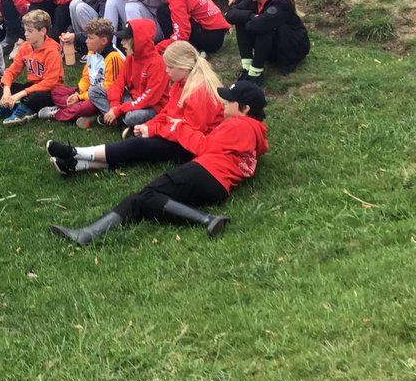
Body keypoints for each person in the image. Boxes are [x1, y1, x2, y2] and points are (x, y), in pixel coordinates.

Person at [48, 81, 268, 246]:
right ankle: (88, 233)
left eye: (230, 100)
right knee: (140, 200)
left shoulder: (240, 125)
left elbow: (204, 147)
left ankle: (208, 219)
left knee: (149, 195)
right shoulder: (252, 131)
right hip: (216, 184)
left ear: (245, 108)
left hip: (206, 172)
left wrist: (180, 127)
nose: (224, 102)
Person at [46, 40, 220, 173]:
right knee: (138, 146)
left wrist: (154, 130)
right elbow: (169, 112)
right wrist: (150, 126)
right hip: (178, 134)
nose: (166, 71)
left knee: (138, 146)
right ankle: (76, 164)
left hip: (191, 146)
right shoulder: (180, 83)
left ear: (183, 66)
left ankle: (76, 153)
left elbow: (190, 131)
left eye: (170, 67)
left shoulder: (199, 91)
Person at [224, 0, 309, 84]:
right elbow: (229, 14)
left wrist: (251, 20)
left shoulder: (281, 3)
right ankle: (247, 68)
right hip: (274, 45)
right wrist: (252, 17)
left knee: (262, 28)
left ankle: (255, 74)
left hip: (292, 49)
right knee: (243, 22)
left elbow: (256, 26)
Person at [39, 16, 123, 128]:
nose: (86, 41)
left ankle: (59, 113)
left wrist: (80, 97)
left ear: (103, 41)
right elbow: (86, 77)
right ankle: (80, 110)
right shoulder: (92, 52)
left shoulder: (114, 58)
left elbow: (109, 89)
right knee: (56, 92)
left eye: (90, 38)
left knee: (82, 107)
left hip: (100, 98)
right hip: (87, 93)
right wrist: (77, 93)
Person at [0, 9, 63, 125]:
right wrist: (6, 90)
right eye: (25, 30)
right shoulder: (25, 47)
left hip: (49, 91)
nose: (25, 34)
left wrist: (21, 94)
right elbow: (12, 70)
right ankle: (17, 105)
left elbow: (50, 82)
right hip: (31, 87)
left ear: (42, 31)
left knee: (35, 97)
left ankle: (21, 109)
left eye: (30, 31)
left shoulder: (52, 51)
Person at [100, 19, 169, 128]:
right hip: (131, 99)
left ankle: (117, 119)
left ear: (139, 40)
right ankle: (118, 119)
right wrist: (114, 106)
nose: (122, 43)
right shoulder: (130, 57)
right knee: (94, 91)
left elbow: (149, 99)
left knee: (132, 117)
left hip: (150, 106)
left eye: (126, 39)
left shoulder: (157, 63)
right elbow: (118, 83)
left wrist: (119, 109)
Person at [154, 0, 231, 55]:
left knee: (163, 11)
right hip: (217, 36)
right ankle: (177, 46)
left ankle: (175, 50)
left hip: (211, 41)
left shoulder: (178, 0)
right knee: (166, 9)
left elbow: (182, 35)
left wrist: (157, 49)